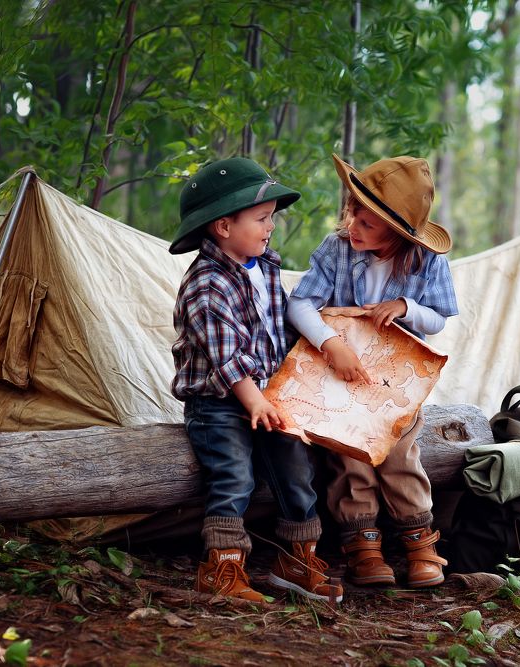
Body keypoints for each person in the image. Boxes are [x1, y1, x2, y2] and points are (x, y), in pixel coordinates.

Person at [169, 157, 343, 603]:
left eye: (271, 219)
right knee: (233, 477)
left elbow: (279, 329)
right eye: (262, 219)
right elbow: (225, 357)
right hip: (221, 401)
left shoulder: (264, 266)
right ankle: (222, 570)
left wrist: (290, 385)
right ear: (223, 227)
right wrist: (255, 401)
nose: (271, 228)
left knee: (296, 469)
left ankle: (298, 559)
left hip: (268, 394)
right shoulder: (205, 286)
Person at [287, 153, 458, 588]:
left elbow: (438, 318)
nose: (353, 228)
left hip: (395, 381)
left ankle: (420, 543)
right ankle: (363, 545)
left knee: (401, 455)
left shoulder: (426, 261)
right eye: (353, 215)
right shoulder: (337, 247)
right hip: (342, 375)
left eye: (367, 224)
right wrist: (331, 343)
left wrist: (407, 307)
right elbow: (300, 302)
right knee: (349, 458)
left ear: (398, 233)